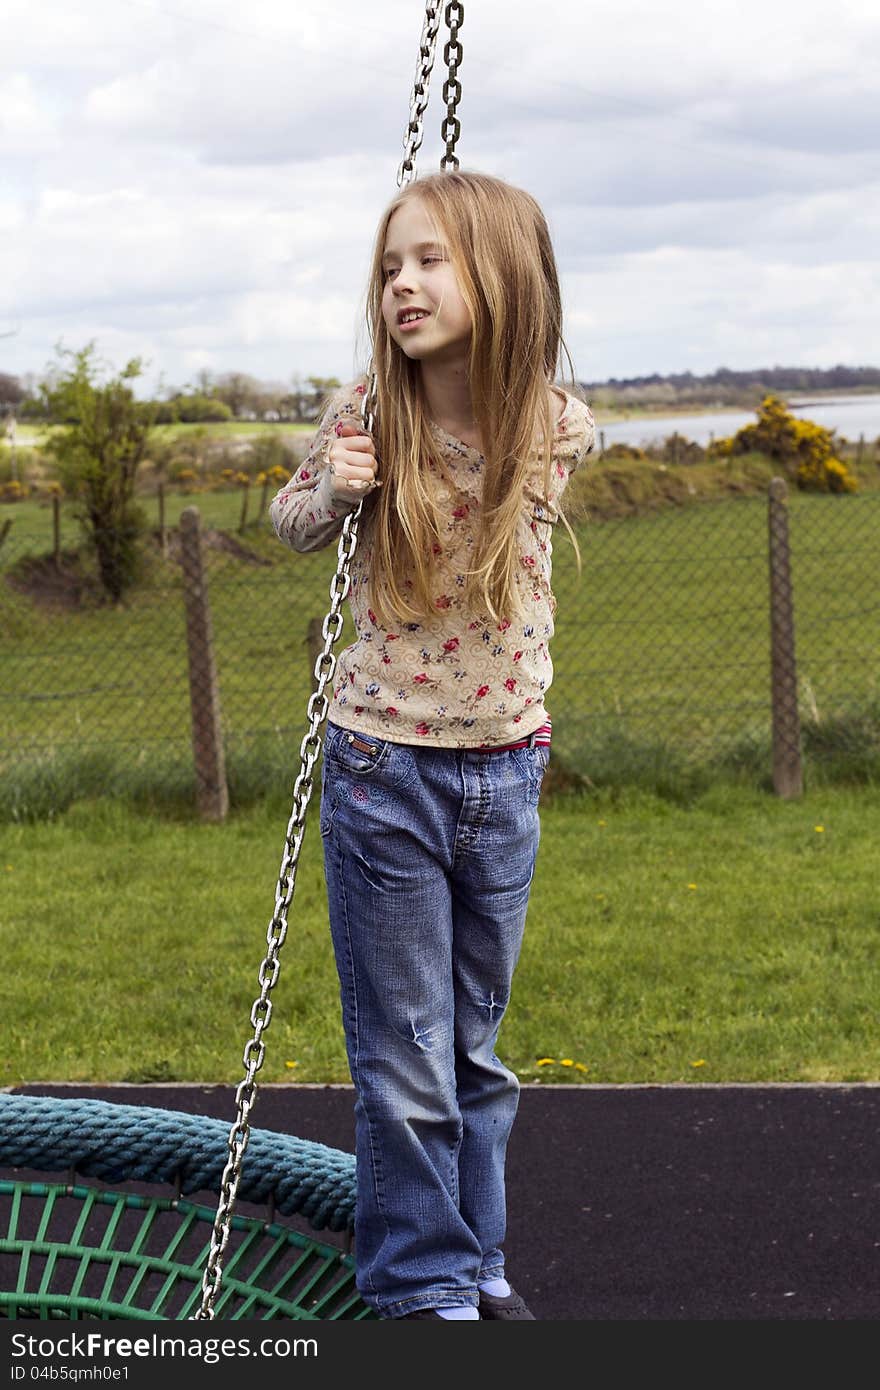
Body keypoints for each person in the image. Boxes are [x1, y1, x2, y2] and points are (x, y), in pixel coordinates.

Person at [270, 169, 594, 1321]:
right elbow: (291, 520)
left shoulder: (547, 424)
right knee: (407, 1057)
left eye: (431, 261)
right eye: (391, 265)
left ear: (498, 277)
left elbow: (546, 454)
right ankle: (421, 1288)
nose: (402, 283)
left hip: (506, 766)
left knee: (478, 1054)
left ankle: (477, 1259)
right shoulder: (368, 413)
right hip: (383, 767)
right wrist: (336, 485)